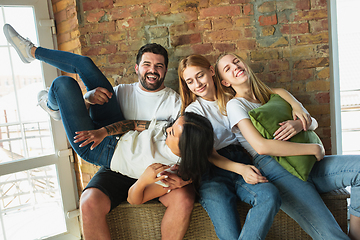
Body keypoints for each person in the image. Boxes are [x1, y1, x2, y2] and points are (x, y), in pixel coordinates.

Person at [3, 23, 194, 240]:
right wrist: (88, 99)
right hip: (115, 146)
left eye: (159, 66)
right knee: (77, 71)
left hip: (133, 162)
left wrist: (186, 178)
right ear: (136, 68)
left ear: (165, 70)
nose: (152, 70)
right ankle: (31, 53)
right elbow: (100, 119)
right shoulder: (122, 91)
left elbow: (188, 147)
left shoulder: (175, 103)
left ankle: (52, 104)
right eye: (147, 64)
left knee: (63, 83)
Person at [216, 53, 360, 240]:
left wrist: (299, 124)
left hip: (306, 164)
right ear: (225, 82)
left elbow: (311, 122)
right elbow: (261, 146)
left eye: (236, 61)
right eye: (227, 68)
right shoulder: (236, 105)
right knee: (332, 236)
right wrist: (314, 148)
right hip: (276, 169)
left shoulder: (276, 94)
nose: (235, 66)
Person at [178, 54, 281, 240]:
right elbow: (209, 155)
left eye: (200, 75)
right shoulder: (193, 111)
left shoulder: (235, 97)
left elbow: (271, 95)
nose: (197, 84)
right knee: (230, 236)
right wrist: (241, 169)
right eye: (190, 81)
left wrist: (297, 108)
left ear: (211, 71)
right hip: (212, 173)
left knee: (270, 196)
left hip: (242, 159)